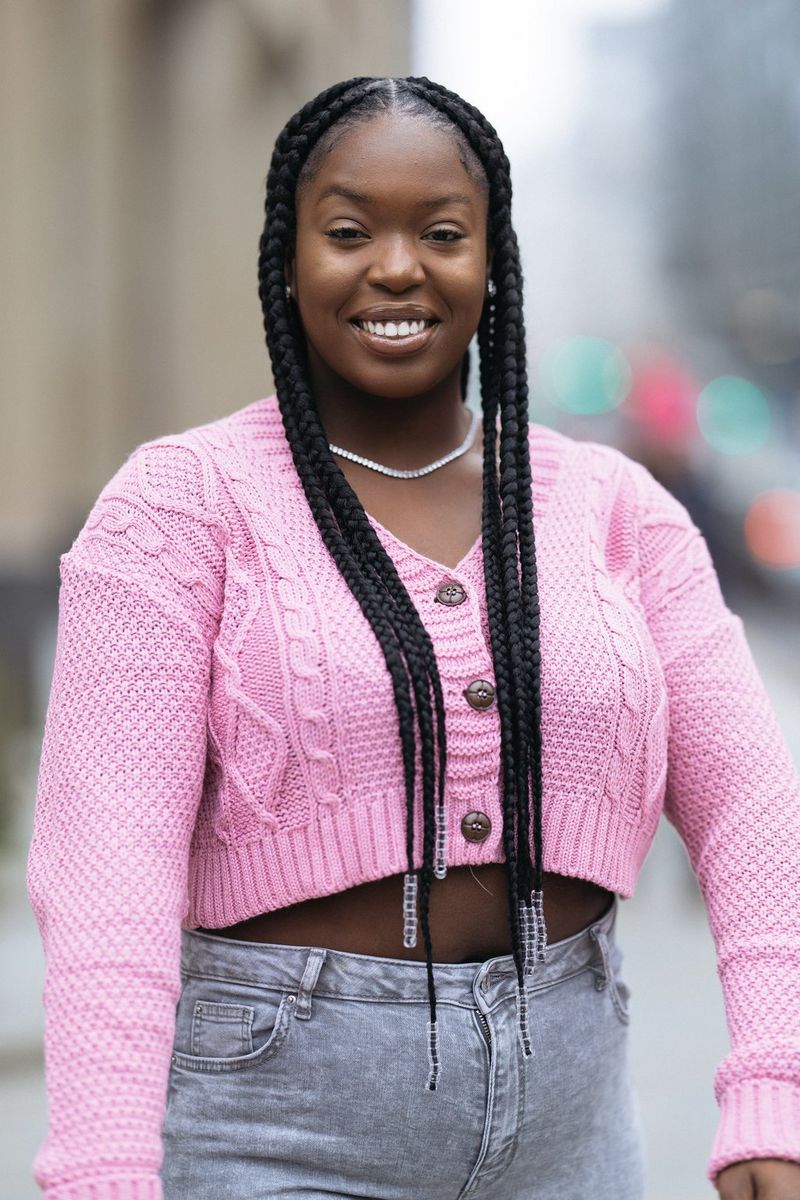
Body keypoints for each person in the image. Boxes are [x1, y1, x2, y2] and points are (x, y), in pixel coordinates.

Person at [26, 75, 800, 1200]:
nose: (396, 266)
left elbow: (749, 812)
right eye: (348, 231)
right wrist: (100, 1169)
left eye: (440, 232)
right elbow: (107, 871)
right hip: (274, 1122)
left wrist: (771, 1079)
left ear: (493, 262)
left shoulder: (614, 510)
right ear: (286, 260)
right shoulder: (179, 509)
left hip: (571, 1114)